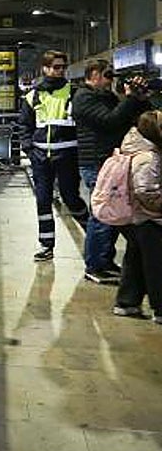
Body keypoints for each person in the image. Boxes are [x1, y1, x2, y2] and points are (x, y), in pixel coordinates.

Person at [72, 59, 152, 283]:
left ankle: (104, 261)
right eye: (107, 76)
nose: (109, 81)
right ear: (94, 75)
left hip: (111, 162)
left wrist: (140, 99)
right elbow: (109, 121)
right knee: (102, 216)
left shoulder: (106, 97)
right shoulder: (83, 98)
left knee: (113, 214)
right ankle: (94, 265)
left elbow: (138, 119)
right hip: (96, 163)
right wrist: (128, 98)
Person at [18, 49, 88, 261]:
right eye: (56, 67)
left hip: (67, 157)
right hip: (41, 158)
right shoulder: (32, 96)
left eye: (63, 67)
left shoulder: (74, 93)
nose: (60, 71)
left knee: (72, 199)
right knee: (43, 201)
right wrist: (30, 150)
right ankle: (46, 245)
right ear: (45, 68)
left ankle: (94, 237)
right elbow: (24, 126)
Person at [110, 110, 162, 323]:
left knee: (136, 260)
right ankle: (160, 309)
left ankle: (127, 302)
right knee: (156, 263)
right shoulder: (147, 157)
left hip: (138, 217)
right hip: (148, 217)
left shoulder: (140, 149)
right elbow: (146, 191)